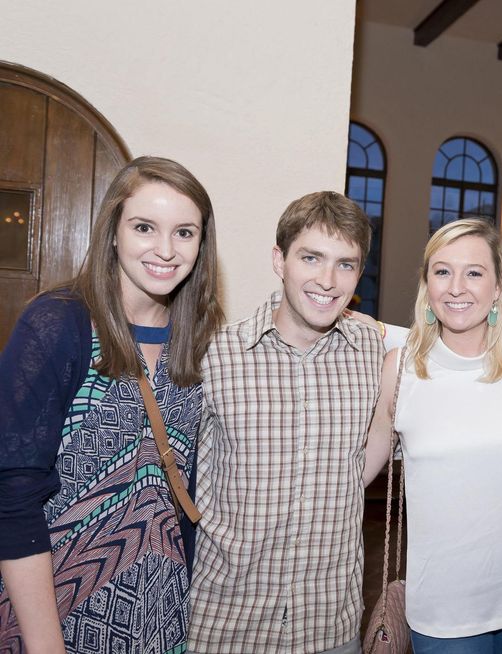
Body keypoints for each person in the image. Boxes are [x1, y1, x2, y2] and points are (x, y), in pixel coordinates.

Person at [0, 156, 223, 653]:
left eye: (184, 233)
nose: (165, 249)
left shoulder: (201, 343)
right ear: (114, 232)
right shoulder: (60, 325)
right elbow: (12, 492)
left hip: (162, 620)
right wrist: (43, 642)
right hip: (54, 612)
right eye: (145, 227)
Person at [363, 219, 502, 654]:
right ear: (427, 285)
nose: (457, 287)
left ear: (497, 287)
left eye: (474, 273)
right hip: (443, 611)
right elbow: (356, 473)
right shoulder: (399, 370)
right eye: (442, 272)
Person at [188, 191, 384, 654]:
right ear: (280, 260)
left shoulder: (374, 352)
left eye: (346, 264)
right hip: (227, 624)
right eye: (311, 258)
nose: (327, 280)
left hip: (329, 628)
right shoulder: (215, 353)